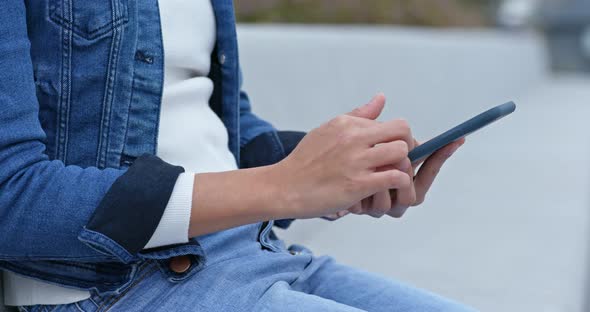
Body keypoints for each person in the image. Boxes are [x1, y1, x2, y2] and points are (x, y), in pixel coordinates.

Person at [0, 0, 472, 311]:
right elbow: (11, 196)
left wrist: (339, 172)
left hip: (251, 250)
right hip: (110, 285)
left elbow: (219, 122)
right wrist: (287, 185)